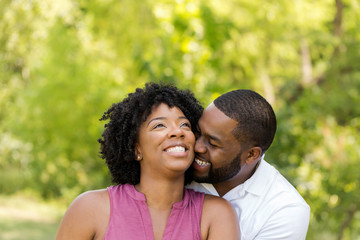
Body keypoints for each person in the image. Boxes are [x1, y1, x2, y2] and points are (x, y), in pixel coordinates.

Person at [55, 82, 240, 240]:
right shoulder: (91, 209)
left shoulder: (216, 215)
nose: (178, 131)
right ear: (136, 148)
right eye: (159, 125)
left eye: (185, 124)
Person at [187, 89, 310, 240]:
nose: (197, 147)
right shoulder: (179, 165)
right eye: (198, 133)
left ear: (251, 155)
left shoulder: (285, 209)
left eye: (212, 143)